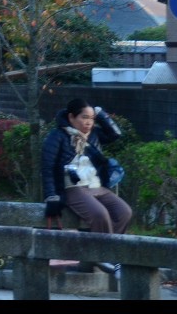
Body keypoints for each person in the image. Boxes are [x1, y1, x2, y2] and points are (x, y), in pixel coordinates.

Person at [41, 97, 132, 276]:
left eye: (91, 118)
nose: (89, 122)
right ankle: (107, 257)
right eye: (84, 117)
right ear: (71, 117)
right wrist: (51, 195)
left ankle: (107, 253)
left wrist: (101, 114)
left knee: (124, 211)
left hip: (96, 185)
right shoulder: (57, 136)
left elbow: (116, 135)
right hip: (72, 187)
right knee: (100, 214)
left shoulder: (95, 134)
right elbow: (48, 167)